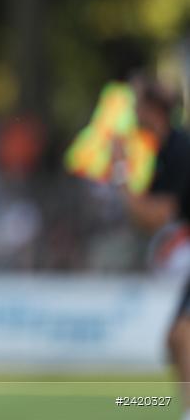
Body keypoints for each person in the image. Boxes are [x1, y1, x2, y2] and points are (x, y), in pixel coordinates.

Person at [119, 76, 190, 419]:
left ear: (152, 110)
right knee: (176, 339)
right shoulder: (162, 152)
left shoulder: (181, 151)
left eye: (136, 105)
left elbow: (157, 215)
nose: (132, 112)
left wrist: (121, 179)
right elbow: (146, 218)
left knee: (182, 334)